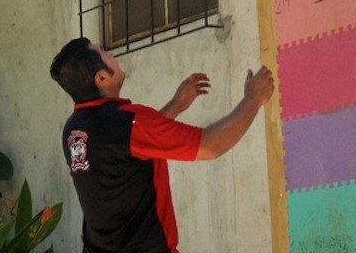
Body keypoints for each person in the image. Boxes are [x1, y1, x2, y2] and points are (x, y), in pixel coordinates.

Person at [49, 37, 275, 253]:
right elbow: (210, 146)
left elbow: (130, 147)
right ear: (101, 79)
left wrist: (176, 105)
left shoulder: (74, 129)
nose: (112, 54)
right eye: (105, 54)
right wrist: (253, 99)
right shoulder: (128, 121)